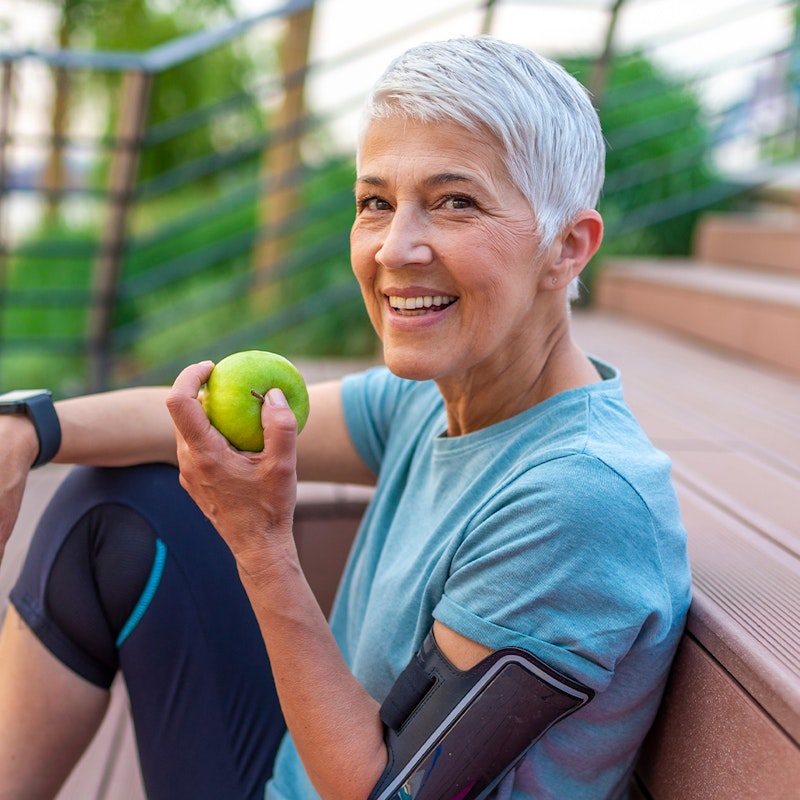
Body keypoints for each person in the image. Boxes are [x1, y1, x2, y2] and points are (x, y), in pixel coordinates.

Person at [0, 35, 691, 800]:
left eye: (455, 202)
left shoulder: (576, 502)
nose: (396, 248)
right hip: (302, 762)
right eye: (376, 204)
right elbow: (186, 419)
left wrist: (262, 546)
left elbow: (385, 791)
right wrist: (26, 431)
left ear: (567, 247)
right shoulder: (434, 398)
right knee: (112, 507)